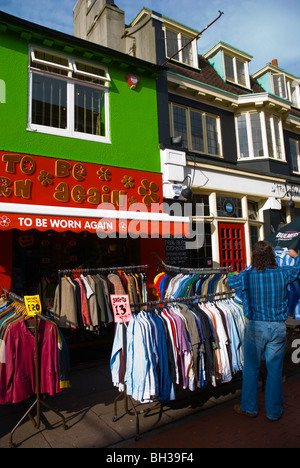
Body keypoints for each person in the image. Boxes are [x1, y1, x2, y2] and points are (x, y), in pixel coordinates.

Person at [227, 240, 300, 421]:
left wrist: (240, 270)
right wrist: (296, 257)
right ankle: (274, 412)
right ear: (272, 256)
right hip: (277, 327)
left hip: (256, 327)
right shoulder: (283, 273)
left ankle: (249, 408)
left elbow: (230, 280)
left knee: (251, 369)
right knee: (275, 370)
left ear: (254, 257)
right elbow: (297, 270)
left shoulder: (247, 275)